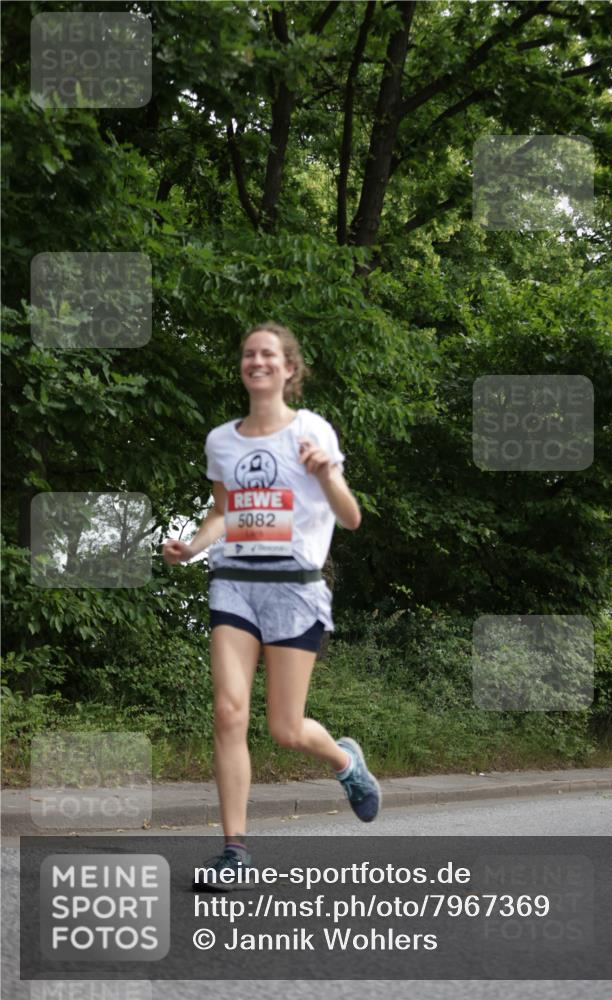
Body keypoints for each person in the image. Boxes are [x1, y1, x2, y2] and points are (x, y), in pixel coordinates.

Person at [162, 321, 381, 889]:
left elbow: (351, 517)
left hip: (295, 586)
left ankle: (345, 762)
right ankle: (234, 850)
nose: (256, 360)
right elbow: (222, 514)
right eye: (248, 353)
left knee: (285, 727)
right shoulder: (222, 441)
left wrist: (326, 474)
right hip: (233, 581)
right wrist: (192, 546)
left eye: (268, 354)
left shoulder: (312, 431)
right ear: (243, 367)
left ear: (288, 369)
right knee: (228, 711)